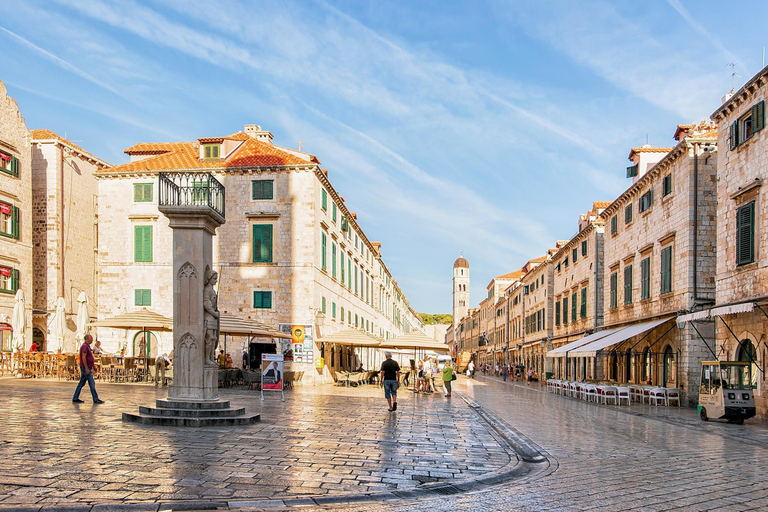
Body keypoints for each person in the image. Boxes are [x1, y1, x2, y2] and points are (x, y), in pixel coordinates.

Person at [72, 334, 104, 404]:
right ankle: (95, 398)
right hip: (85, 368)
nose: (92, 340)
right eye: (91, 338)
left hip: (88, 367)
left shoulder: (87, 346)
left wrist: (93, 365)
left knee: (81, 383)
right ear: (87, 339)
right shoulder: (84, 347)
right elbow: (84, 357)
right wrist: (86, 368)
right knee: (91, 383)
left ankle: (75, 397)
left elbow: (90, 358)